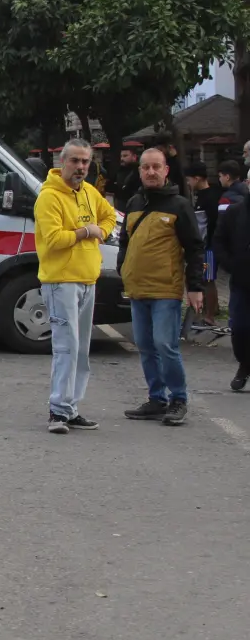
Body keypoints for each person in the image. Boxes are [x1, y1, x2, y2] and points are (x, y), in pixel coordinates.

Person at [34, 138, 116, 434]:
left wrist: (101, 230)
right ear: (62, 162)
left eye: (85, 162)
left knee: (80, 349)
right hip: (60, 282)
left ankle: (71, 408)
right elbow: (54, 239)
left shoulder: (89, 192)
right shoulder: (49, 197)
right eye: (75, 161)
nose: (81, 167)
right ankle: (57, 410)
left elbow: (109, 216)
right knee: (66, 347)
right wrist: (86, 231)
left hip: (86, 280)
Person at [118, 148, 205, 426]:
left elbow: (194, 249)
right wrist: (123, 269)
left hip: (166, 290)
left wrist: (195, 287)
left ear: (166, 170)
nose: (151, 172)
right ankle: (157, 399)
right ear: (140, 171)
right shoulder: (134, 203)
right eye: (146, 167)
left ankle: (178, 399)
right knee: (144, 345)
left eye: (157, 167)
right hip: (137, 289)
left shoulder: (179, 205)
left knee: (165, 345)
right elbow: (124, 242)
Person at [215, 191, 250, 391]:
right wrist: (231, 264)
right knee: (240, 327)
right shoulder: (235, 212)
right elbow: (219, 240)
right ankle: (245, 363)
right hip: (241, 280)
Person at [184, 162, 222, 325]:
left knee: (207, 280)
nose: (188, 183)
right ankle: (202, 313)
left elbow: (207, 224)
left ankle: (209, 316)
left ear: (197, 178)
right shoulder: (202, 195)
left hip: (208, 248)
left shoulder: (210, 198)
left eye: (189, 180)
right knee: (202, 278)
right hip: (202, 247)